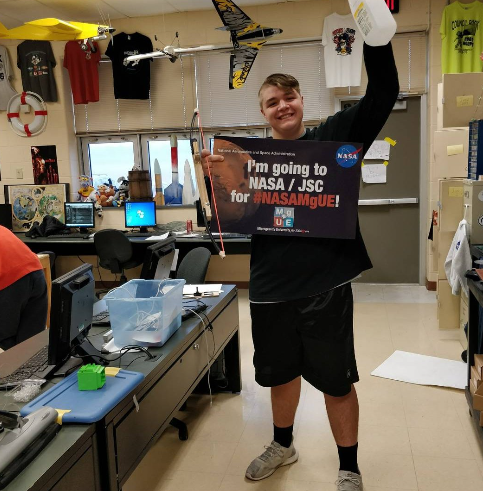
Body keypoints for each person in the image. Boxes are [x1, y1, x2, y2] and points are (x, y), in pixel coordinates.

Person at [201, 39, 399, 490]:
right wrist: (216, 179)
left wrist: (375, 34)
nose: (282, 106)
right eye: (272, 102)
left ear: (302, 102)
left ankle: (348, 466)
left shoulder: (334, 137)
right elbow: (233, 219)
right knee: (279, 375)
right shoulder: (246, 162)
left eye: (288, 97)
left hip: (325, 285)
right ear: (264, 113)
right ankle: (283, 445)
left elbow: (384, 90)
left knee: (336, 382)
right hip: (270, 288)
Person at [0, 225, 48, 350]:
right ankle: (32, 369)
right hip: (35, 270)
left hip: (9, 279)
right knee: (31, 345)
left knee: (7, 345)